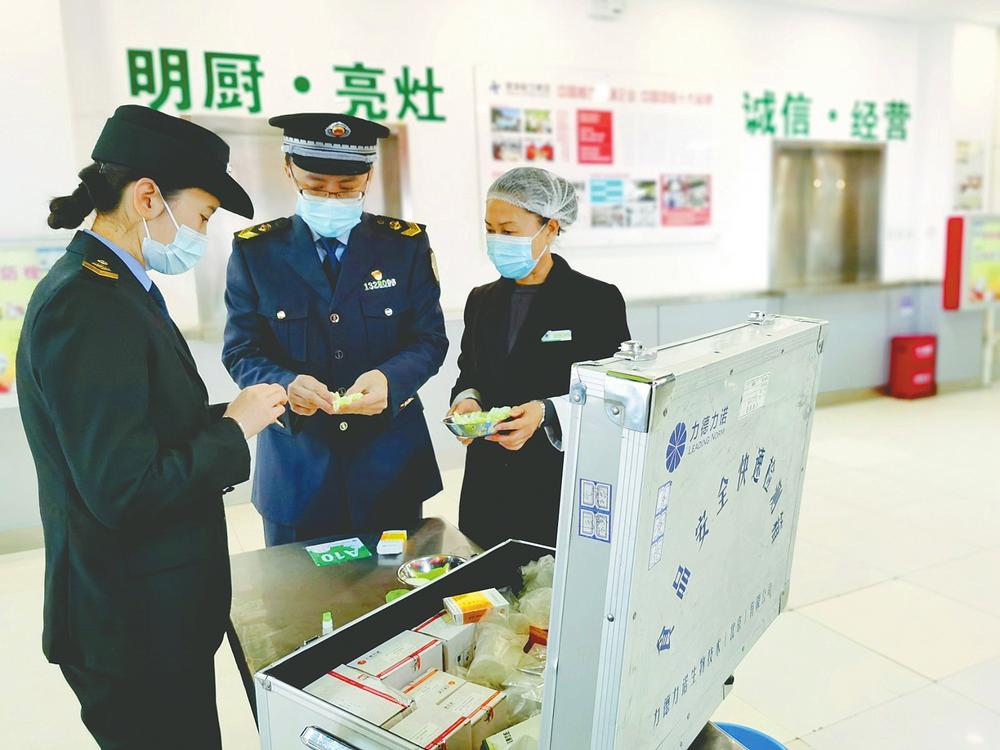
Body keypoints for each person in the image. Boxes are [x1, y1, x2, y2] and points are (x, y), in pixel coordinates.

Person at [16, 105, 288, 749]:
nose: (202, 233)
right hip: (129, 625)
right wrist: (233, 432)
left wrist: (241, 411)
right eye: (203, 215)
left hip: (155, 612)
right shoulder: (88, 304)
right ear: (147, 198)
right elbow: (124, 487)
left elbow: (141, 427)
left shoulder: (120, 288)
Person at [223, 113, 448, 547]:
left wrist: (390, 380)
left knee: (395, 583)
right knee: (297, 589)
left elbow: (429, 339)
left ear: (369, 176)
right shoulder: (257, 252)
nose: (331, 197)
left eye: (346, 188)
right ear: (288, 169)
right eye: (315, 185)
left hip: (390, 464)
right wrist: (286, 386)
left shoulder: (404, 245)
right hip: (298, 469)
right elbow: (241, 350)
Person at [450, 167, 631, 549]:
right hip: (487, 484)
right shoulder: (481, 300)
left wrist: (546, 412)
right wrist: (467, 400)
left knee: (546, 580)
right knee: (485, 577)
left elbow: (614, 392)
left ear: (550, 228)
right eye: (490, 229)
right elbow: (470, 372)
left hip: (554, 480)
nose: (497, 241)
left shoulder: (596, 301)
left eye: (509, 231)